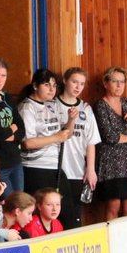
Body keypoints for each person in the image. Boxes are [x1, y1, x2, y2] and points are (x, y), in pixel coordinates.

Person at [18, 68, 78, 204]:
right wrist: (56, 137)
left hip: (54, 165)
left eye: (54, 85)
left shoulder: (52, 105)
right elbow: (27, 143)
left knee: (67, 209)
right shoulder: (27, 107)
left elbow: (66, 135)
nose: (52, 89)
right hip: (36, 167)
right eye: (47, 85)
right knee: (41, 208)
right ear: (35, 86)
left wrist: (71, 120)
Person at [93, 66, 127, 219]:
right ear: (105, 83)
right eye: (115, 81)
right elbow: (110, 137)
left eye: (122, 82)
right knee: (113, 207)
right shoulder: (100, 105)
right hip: (109, 163)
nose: (119, 85)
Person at [56, 66, 101, 228]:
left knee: (75, 213)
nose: (78, 87)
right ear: (65, 81)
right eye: (74, 82)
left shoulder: (86, 109)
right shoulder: (53, 105)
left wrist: (91, 169)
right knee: (57, 212)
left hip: (77, 169)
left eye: (81, 84)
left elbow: (91, 141)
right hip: (56, 168)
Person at [0, 57, 26, 194]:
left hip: (15, 159)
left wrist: (11, 134)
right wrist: (12, 128)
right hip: (0, 162)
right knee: (9, 201)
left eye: (3, 75)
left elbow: (21, 127)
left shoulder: (7, 97)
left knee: (20, 201)